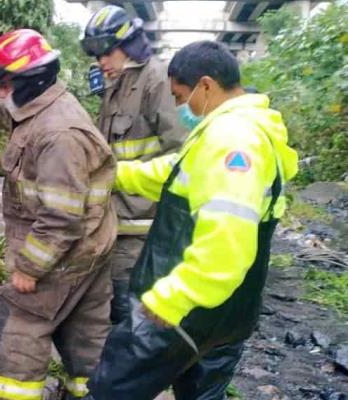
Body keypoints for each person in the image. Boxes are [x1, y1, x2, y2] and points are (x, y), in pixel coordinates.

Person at [84, 41, 299, 399]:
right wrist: (113, 174)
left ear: (206, 86)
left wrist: (169, 300)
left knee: (110, 390)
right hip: (229, 315)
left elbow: (226, 247)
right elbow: (175, 172)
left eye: (181, 96)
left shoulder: (234, 141)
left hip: (185, 311)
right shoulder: (235, 131)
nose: (181, 107)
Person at [0, 29, 117, 399]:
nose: (0, 90)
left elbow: (61, 218)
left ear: (29, 82)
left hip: (63, 260)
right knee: (87, 349)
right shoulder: (40, 105)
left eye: (5, 83)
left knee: (15, 335)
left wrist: (29, 269)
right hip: (89, 252)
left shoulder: (58, 135)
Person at [81, 4, 188, 324]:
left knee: (131, 315)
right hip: (113, 221)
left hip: (142, 228)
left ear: (127, 45)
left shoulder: (157, 82)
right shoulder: (116, 85)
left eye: (106, 52)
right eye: (96, 55)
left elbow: (184, 156)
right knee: (113, 308)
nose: (101, 62)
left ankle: (140, 372)